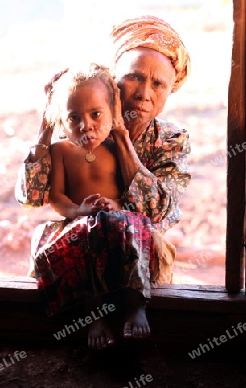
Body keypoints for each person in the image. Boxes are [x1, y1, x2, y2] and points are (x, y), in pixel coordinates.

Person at [15, 15, 191, 337]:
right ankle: (85, 318)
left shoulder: (171, 139)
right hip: (84, 238)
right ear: (113, 83)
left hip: (135, 250)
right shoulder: (84, 127)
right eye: (135, 78)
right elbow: (31, 197)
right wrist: (47, 123)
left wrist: (123, 140)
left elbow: (158, 212)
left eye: (158, 84)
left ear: (169, 91)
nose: (143, 93)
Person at [32, 63, 154, 349]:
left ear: (113, 115)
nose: (85, 125)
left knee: (130, 228)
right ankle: (93, 312)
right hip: (81, 221)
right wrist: (78, 211)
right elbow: (57, 197)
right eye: (73, 118)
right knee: (80, 239)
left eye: (96, 114)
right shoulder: (60, 151)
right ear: (61, 122)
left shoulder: (115, 147)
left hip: (117, 218)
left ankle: (136, 304)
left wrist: (116, 204)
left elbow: (132, 195)